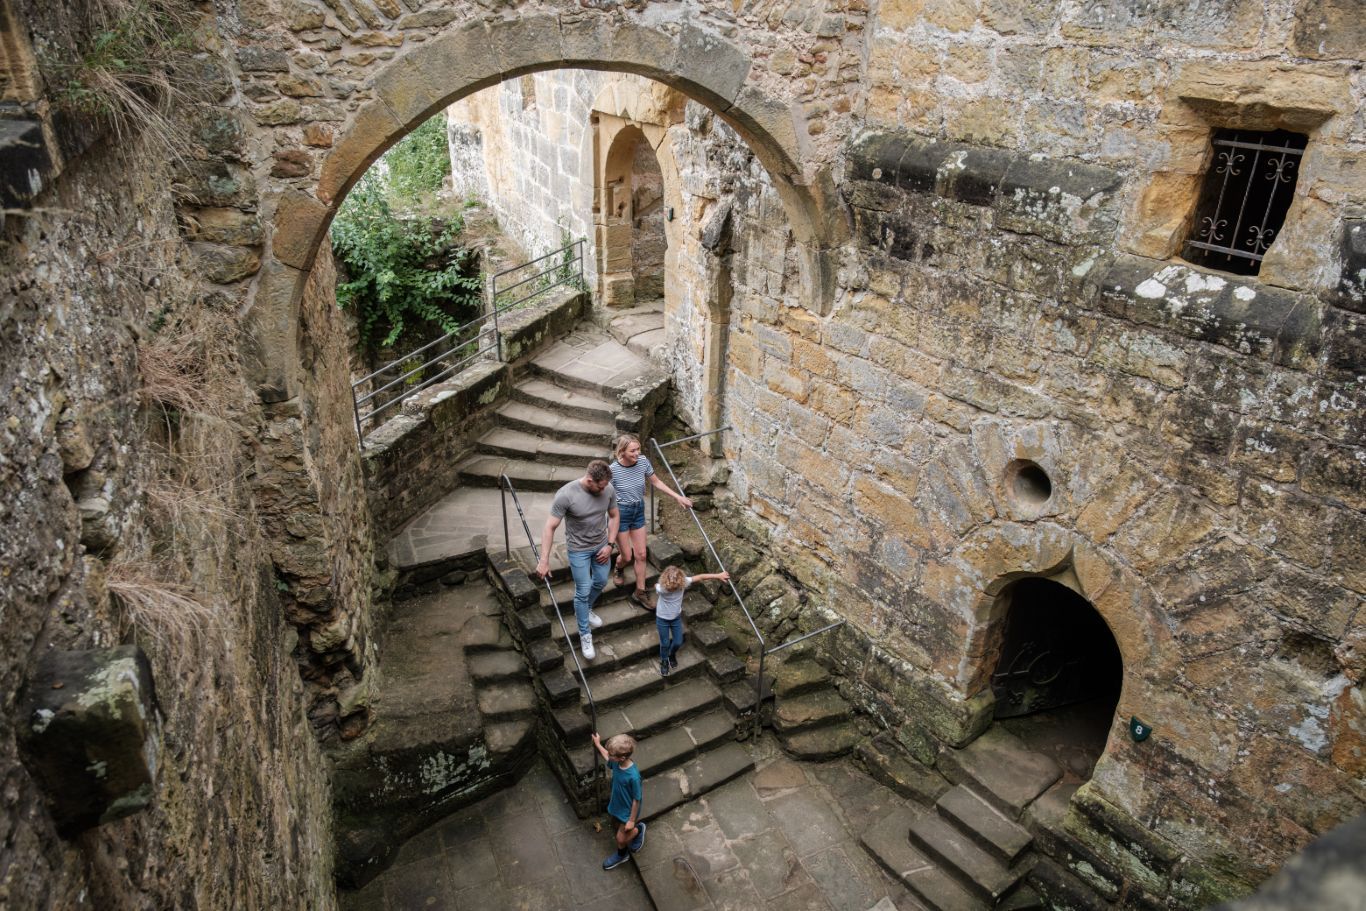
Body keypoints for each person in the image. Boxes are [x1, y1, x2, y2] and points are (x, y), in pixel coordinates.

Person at [537, 460, 619, 661]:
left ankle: (587, 608)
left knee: (600, 581)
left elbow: (615, 516)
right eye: (600, 486)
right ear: (590, 480)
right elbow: (549, 527)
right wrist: (544, 560)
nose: (604, 490)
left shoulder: (608, 488)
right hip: (578, 550)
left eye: (606, 485)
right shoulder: (566, 495)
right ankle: (585, 634)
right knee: (583, 589)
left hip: (601, 546)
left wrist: (610, 544)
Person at [609, 434, 693, 609]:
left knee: (641, 555)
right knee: (626, 556)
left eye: (638, 449)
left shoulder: (643, 461)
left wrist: (678, 497)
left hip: (638, 510)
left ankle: (640, 592)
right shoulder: (613, 470)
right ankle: (618, 566)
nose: (637, 453)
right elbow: (604, 497)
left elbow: (656, 482)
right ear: (622, 451)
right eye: (633, 450)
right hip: (621, 514)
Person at [654, 566, 729, 677]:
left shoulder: (684, 583)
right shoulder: (661, 588)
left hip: (675, 619)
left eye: (676, 588)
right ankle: (664, 661)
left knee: (678, 641)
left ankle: (671, 654)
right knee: (664, 643)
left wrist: (718, 575)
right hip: (662, 619)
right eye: (671, 589)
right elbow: (656, 586)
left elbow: (701, 577)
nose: (673, 590)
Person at [591, 731, 646, 870]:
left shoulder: (633, 776)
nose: (609, 756)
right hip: (617, 803)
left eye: (612, 755)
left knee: (621, 839)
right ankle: (630, 834)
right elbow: (606, 756)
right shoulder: (616, 763)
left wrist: (632, 820)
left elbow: (636, 799)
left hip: (628, 810)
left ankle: (635, 834)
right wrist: (598, 744)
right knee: (617, 825)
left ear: (621, 757)